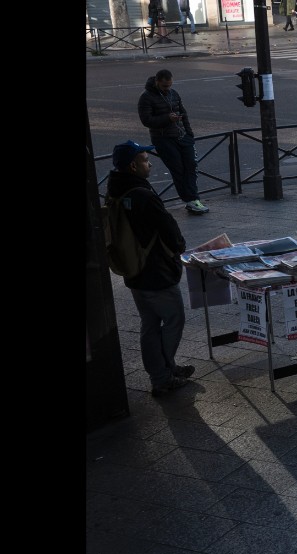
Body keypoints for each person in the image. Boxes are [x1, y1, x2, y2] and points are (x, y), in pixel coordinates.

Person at [106, 141, 194, 397]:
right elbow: (170, 232)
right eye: (145, 159)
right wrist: (178, 248)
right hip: (156, 271)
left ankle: (163, 371)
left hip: (134, 270)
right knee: (174, 318)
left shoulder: (115, 190)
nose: (150, 163)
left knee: (150, 322)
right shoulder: (142, 195)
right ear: (133, 165)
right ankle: (163, 375)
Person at [138, 69, 209, 214]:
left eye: (170, 85)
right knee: (178, 169)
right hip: (163, 138)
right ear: (157, 82)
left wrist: (189, 133)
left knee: (192, 165)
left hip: (182, 136)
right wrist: (167, 119)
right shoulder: (146, 97)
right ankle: (191, 200)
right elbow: (146, 120)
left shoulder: (174, 93)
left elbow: (184, 113)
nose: (168, 88)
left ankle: (193, 199)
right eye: (165, 86)